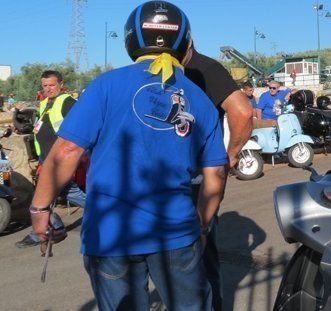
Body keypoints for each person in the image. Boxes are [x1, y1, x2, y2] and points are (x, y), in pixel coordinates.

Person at [29, 2, 226, 310]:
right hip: (176, 233)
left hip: (111, 233)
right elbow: (216, 174)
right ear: (184, 41)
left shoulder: (105, 86)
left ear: (130, 39)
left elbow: (66, 151)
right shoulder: (199, 99)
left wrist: (40, 210)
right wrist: (200, 225)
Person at [182, 40, 254, 310]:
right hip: (184, 179)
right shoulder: (176, 71)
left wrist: (230, 156)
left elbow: (243, 113)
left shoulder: (205, 68)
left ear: (187, 41)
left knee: (199, 256)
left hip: (197, 180)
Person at [14, 70, 87, 248]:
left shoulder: (67, 102)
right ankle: (54, 225)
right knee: (65, 194)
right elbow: (43, 128)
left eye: (52, 85)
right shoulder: (45, 103)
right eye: (45, 85)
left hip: (59, 161)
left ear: (61, 84)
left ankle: (41, 231)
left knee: (44, 197)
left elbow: (79, 127)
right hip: (46, 159)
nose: (48, 89)